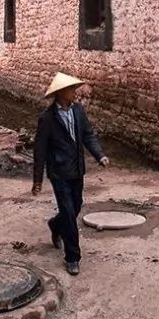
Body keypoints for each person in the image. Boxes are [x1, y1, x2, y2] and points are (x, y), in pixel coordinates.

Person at [32, 73, 109, 276]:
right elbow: (39, 150)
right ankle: (72, 257)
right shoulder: (47, 119)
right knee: (68, 211)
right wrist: (37, 180)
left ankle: (55, 225)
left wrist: (99, 155)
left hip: (76, 169)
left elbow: (87, 135)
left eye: (74, 89)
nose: (75, 93)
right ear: (60, 93)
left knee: (75, 206)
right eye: (71, 90)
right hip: (58, 172)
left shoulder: (78, 111)